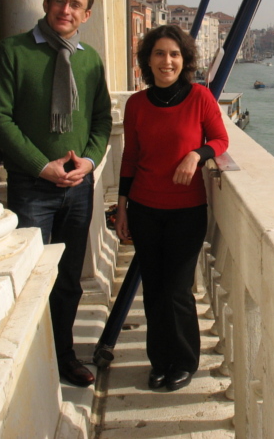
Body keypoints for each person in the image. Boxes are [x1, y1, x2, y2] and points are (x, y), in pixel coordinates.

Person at [0, 0, 112, 388]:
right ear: (45, 3)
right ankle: (30, 364)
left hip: (78, 189)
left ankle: (62, 355)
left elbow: (101, 121)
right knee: (31, 278)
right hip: (31, 188)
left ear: (86, 14)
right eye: (60, 0)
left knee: (68, 280)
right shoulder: (13, 52)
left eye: (76, 4)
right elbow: (0, 117)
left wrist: (89, 162)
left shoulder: (91, 60)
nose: (66, 9)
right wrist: (41, 166)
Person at [115, 25, 228, 391]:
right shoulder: (136, 104)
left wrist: (196, 155)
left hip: (186, 210)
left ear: (185, 60)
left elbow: (220, 139)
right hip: (145, 208)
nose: (168, 61)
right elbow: (130, 158)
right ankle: (159, 360)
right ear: (149, 60)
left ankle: (183, 361)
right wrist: (122, 205)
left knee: (177, 289)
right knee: (154, 289)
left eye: (175, 54)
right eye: (160, 54)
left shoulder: (199, 97)